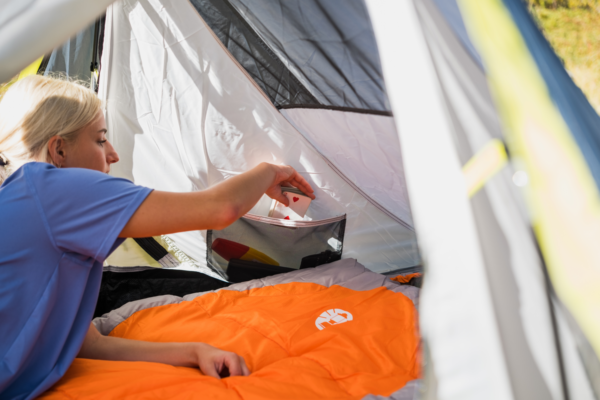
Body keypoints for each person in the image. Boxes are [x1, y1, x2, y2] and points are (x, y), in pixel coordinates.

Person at [0, 75, 315, 400]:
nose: (113, 154)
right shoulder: (50, 188)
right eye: (100, 140)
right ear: (59, 149)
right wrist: (271, 173)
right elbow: (219, 208)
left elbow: (88, 344)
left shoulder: (27, 204)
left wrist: (195, 353)